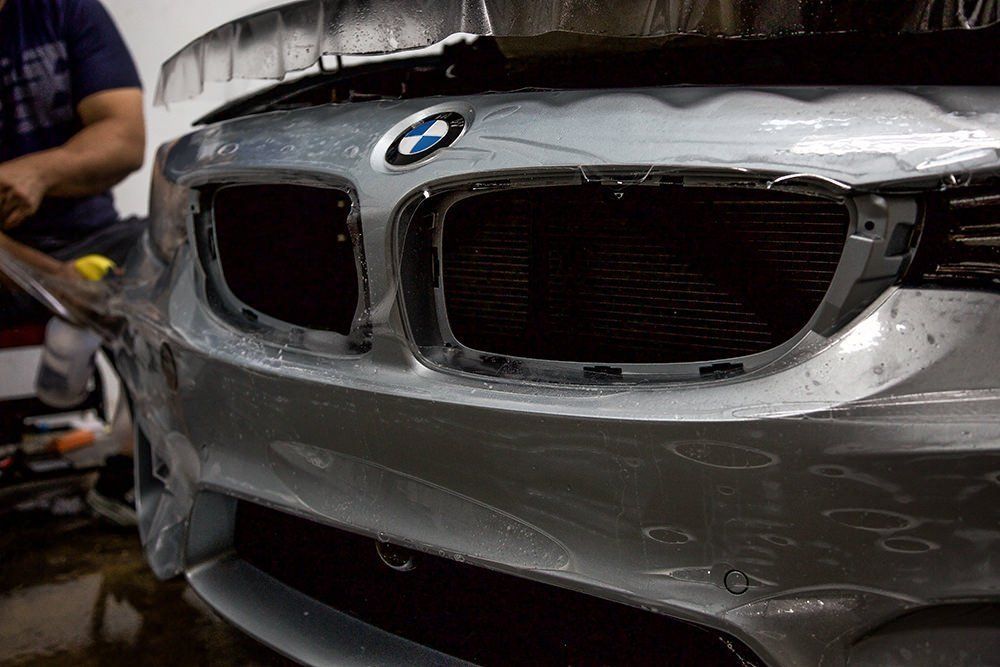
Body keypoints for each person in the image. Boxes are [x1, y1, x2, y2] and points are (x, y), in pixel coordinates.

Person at [0, 0, 145, 523]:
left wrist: (39, 172)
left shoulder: (64, 10)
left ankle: (135, 470)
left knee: (175, 273)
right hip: (11, 254)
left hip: (90, 238)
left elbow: (124, 138)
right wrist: (53, 280)